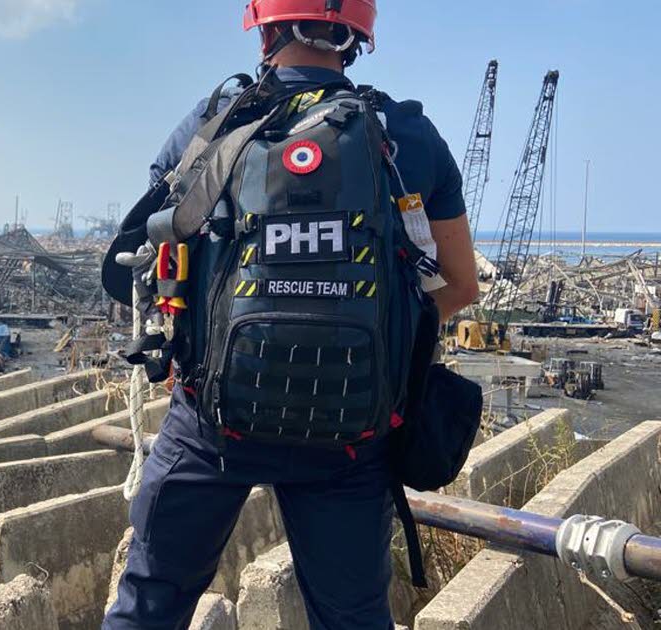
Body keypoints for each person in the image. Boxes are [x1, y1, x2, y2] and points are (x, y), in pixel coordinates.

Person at [103, 2, 479, 629]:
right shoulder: (407, 137)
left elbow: (154, 267)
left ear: (264, 28)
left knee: (150, 601)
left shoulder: (208, 128)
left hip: (213, 428)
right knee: (352, 618)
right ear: (356, 34)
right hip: (350, 436)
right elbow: (460, 286)